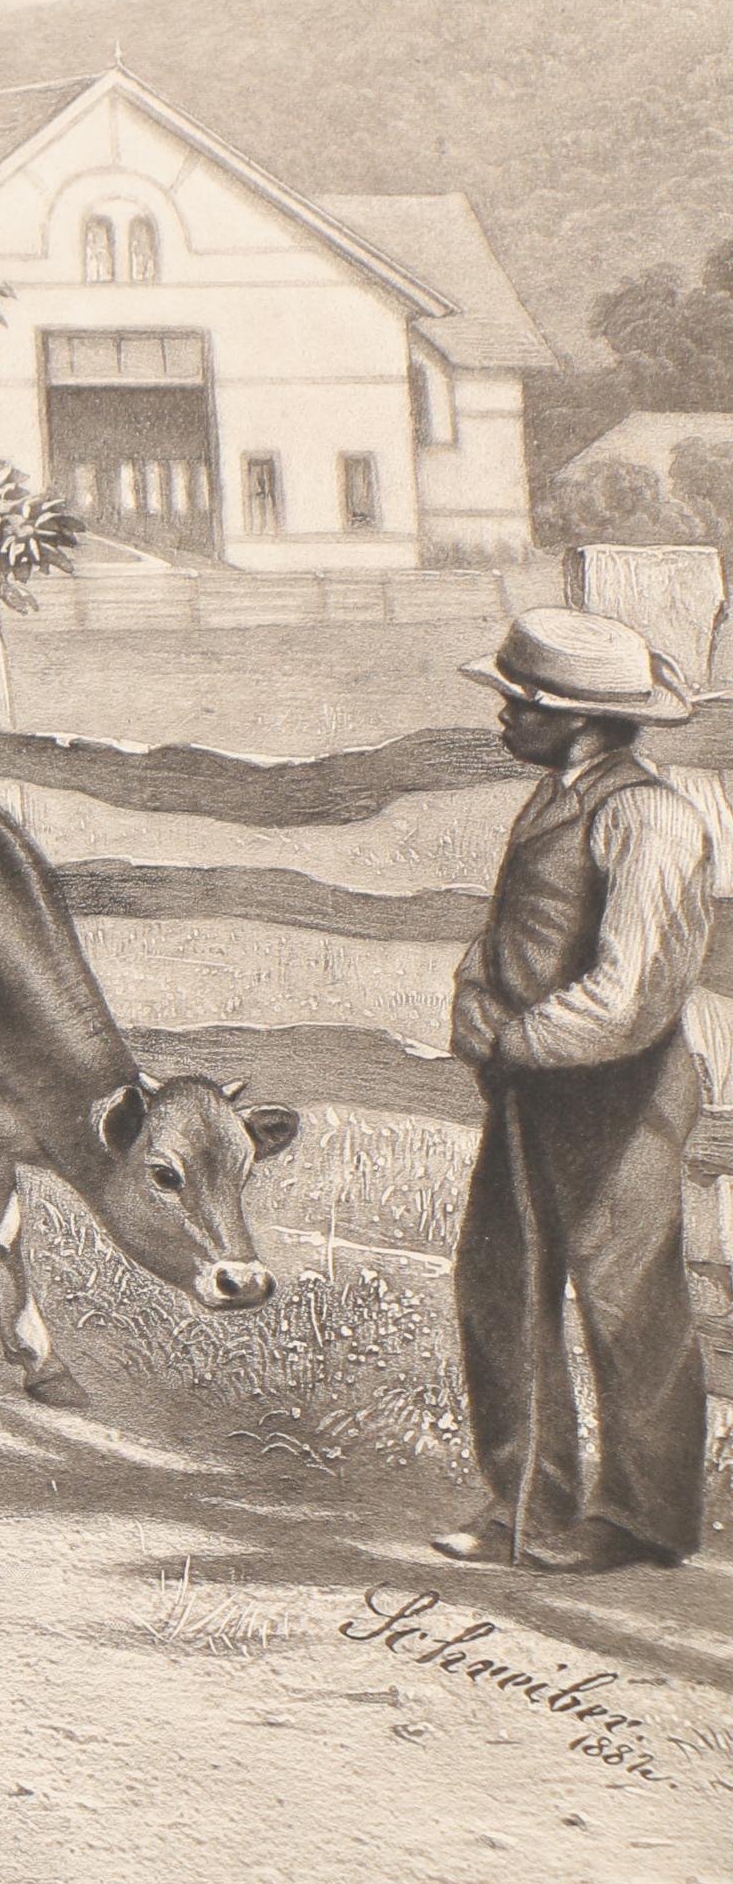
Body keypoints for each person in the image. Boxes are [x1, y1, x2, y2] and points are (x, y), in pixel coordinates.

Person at [439, 606, 713, 1573]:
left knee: (626, 1297)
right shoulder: (553, 799)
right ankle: (525, 1503)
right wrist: (477, 1007)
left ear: (583, 719)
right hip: (529, 1086)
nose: (507, 716)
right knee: (499, 1286)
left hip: (618, 1094)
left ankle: (643, 1518)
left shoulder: (649, 815)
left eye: (525, 702)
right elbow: (506, 934)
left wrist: (524, 1037)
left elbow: (633, 989)